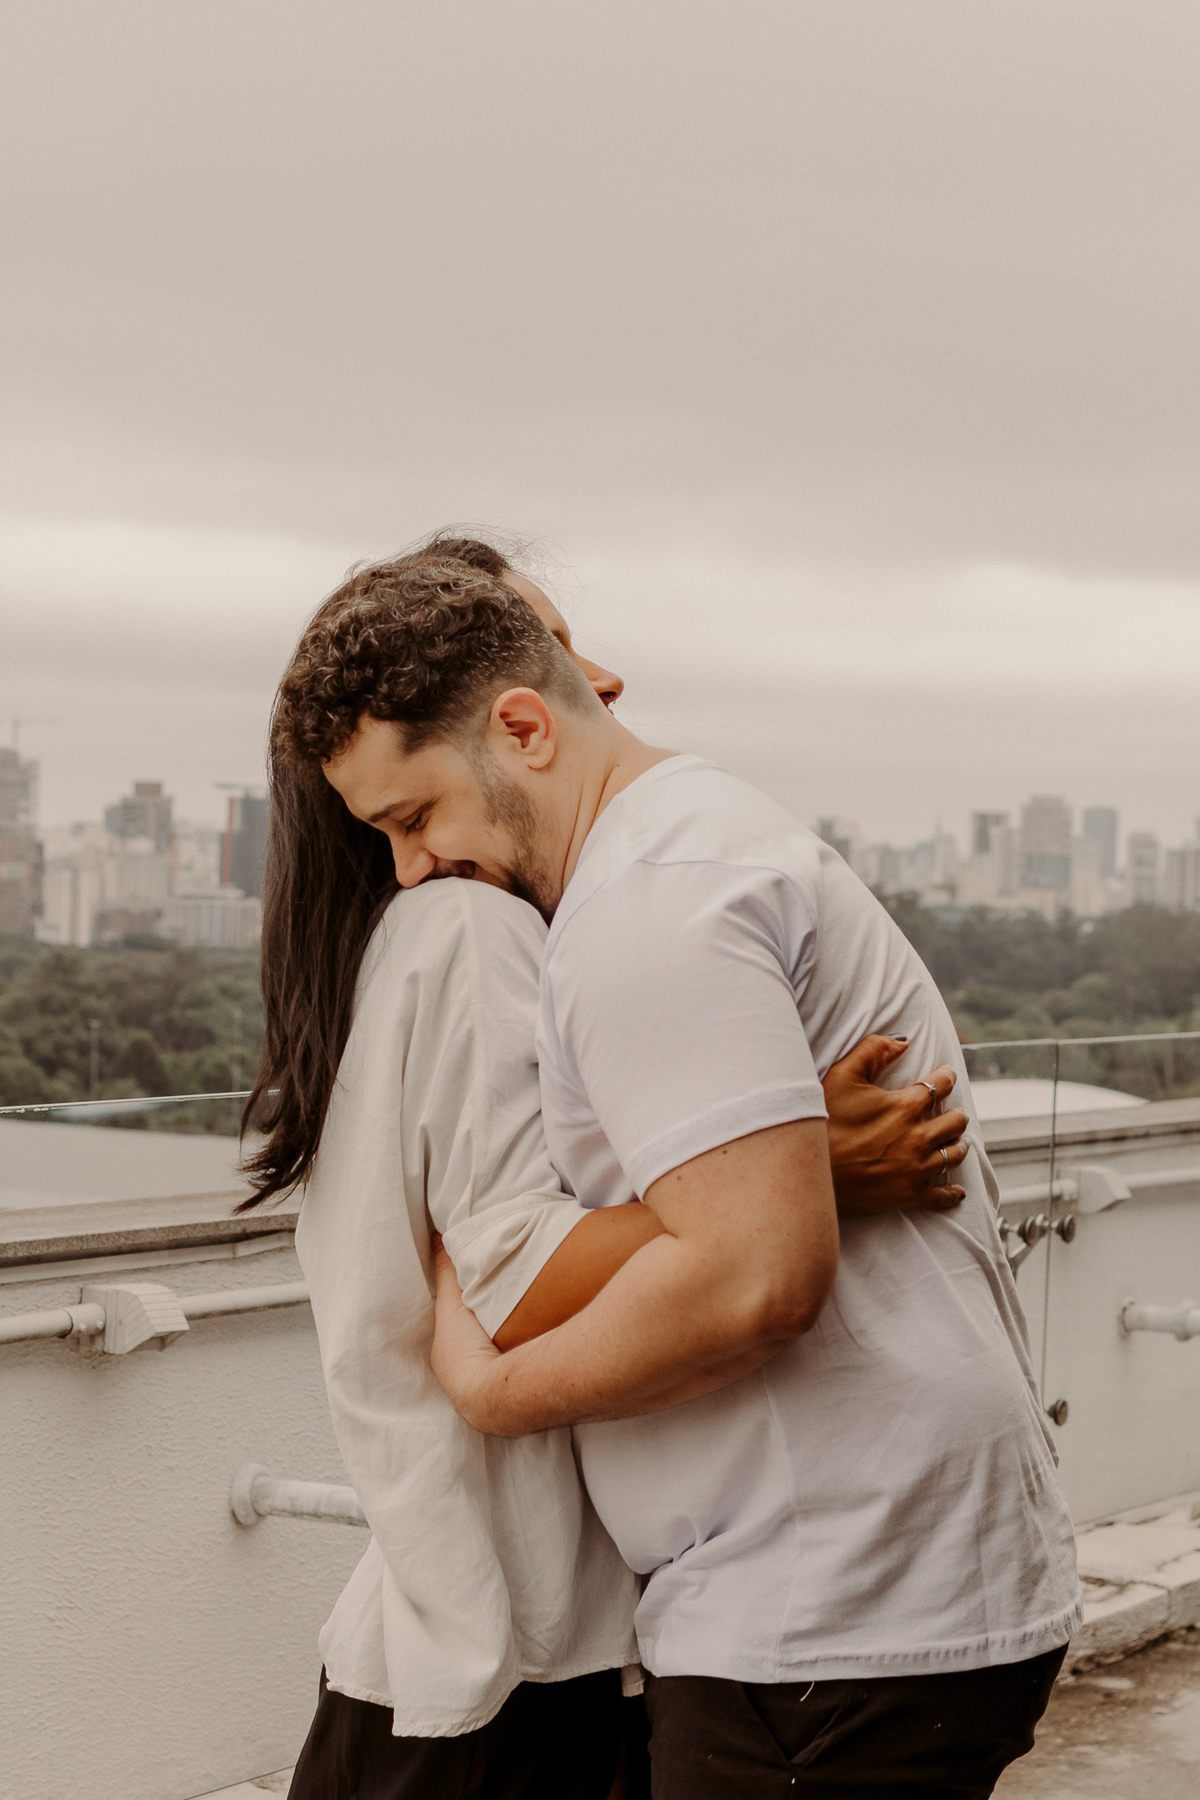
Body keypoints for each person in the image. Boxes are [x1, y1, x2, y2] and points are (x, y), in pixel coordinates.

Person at [276, 546, 1083, 1799]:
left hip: (828, 1605)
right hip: (838, 1589)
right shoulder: (674, 853)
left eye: (415, 815)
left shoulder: (645, 904)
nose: (411, 866)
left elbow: (755, 1276)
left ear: (525, 726)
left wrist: (499, 1394)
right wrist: (802, 1162)